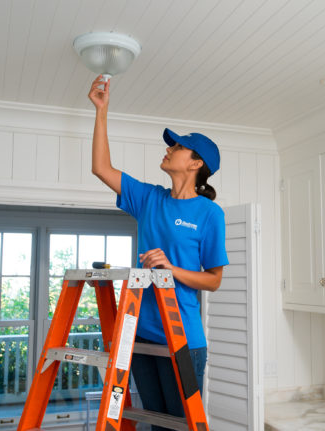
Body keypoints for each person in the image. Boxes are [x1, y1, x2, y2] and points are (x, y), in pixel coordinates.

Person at [88, 75, 228, 429]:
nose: (168, 149)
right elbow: (101, 168)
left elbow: (213, 281)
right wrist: (101, 111)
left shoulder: (210, 214)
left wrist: (169, 268)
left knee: (179, 425)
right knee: (156, 423)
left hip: (183, 339)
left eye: (177, 146)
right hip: (142, 334)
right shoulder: (150, 199)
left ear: (196, 163)